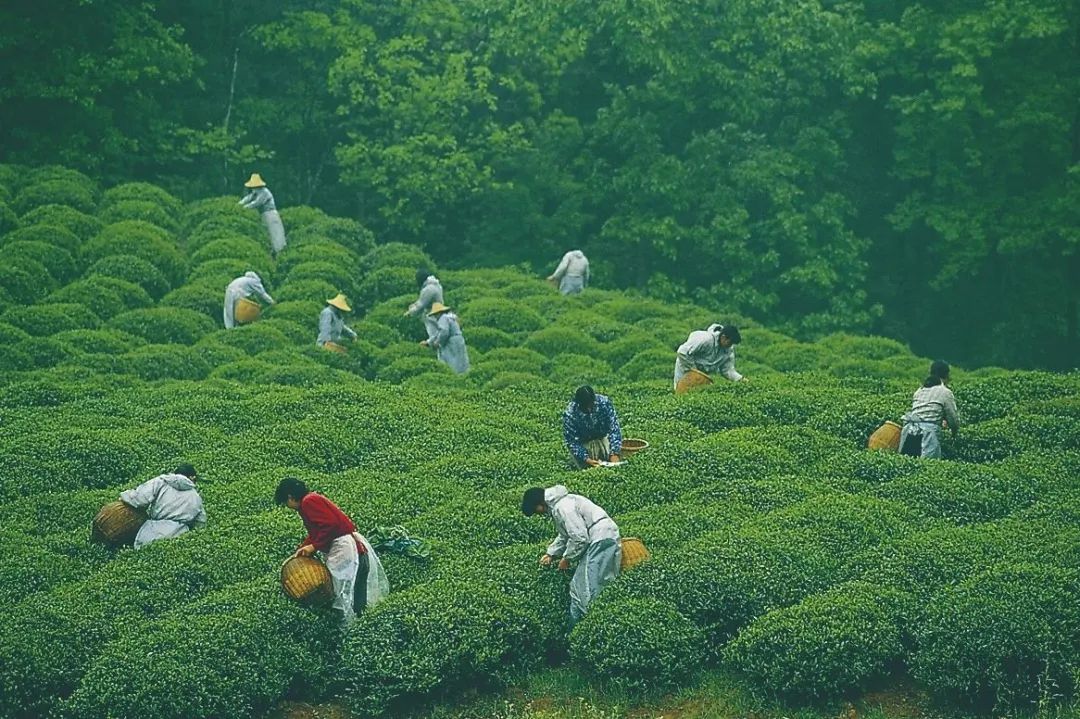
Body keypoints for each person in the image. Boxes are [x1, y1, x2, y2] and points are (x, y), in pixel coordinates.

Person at [275, 477, 388, 625]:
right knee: (357, 599)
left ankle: (350, 631)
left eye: (285, 503)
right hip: (351, 549)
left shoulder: (309, 501)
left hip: (346, 550)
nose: (288, 506)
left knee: (342, 594)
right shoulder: (311, 500)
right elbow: (317, 532)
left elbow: (330, 526)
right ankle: (360, 627)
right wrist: (304, 547)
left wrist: (313, 546)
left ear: (290, 497)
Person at [522, 485, 621, 625]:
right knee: (593, 584)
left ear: (539, 503)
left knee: (583, 588)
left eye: (535, 510)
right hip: (601, 537)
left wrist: (567, 559)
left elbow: (579, 537)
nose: (538, 514)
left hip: (600, 538)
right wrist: (551, 554)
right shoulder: (560, 506)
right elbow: (565, 536)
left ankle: (587, 625)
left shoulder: (563, 507)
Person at [119, 463, 207, 550]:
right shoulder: (195, 497)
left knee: (143, 553)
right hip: (177, 535)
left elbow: (139, 499)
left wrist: (124, 496)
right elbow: (200, 524)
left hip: (150, 532)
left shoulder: (161, 481)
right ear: (192, 478)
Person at [899, 360, 960, 459]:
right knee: (926, 466)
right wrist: (954, 434)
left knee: (908, 464)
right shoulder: (945, 392)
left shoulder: (919, 391)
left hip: (909, 432)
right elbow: (953, 420)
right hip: (928, 436)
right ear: (946, 375)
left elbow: (926, 411)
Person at [563, 385, 623, 468]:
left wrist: (614, 453)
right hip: (584, 444)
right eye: (585, 407)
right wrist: (587, 459)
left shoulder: (604, 403)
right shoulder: (570, 413)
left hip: (602, 438)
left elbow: (614, 428)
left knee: (611, 459)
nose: (589, 410)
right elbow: (572, 442)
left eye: (591, 406)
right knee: (585, 467)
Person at [673, 323, 744, 389]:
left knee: (696, 395)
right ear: (723, 337)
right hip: (686, 368)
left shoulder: (728, 350)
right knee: (681, 391)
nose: (730, 345)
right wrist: (694, 370)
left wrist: (741, 379)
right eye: (730, 342)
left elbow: (728, 370)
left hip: (702, 375)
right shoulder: (706, 339)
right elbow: (682, 352)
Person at [238, 173, 287, 256]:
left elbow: (257, 203)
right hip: (264, 216)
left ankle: (280, 253)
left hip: (271, 216)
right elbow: (247, 199)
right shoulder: (255, 193)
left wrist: (244, 208)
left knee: (275, 235)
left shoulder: (264, 192)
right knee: (268, 236)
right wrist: (238, 205)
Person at [423, 302, 470, 374]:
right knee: (461, 362)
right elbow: (438, 332)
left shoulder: (443, 318)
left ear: (439, 313)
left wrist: (438, 342)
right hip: (458, 340)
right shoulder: (450, 317)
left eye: (435, 315)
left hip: (452, 343)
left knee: (453, 363)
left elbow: (444, 332)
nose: (435, 317)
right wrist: (429, 341)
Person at [404, 268, 443, 342]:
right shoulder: (435, 285)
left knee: (434, 335)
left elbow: (421, 305)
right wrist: (413, 305)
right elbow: (421, 301)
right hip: (438, 312)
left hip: (433, 315)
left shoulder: (428, 289)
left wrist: (410, 312)